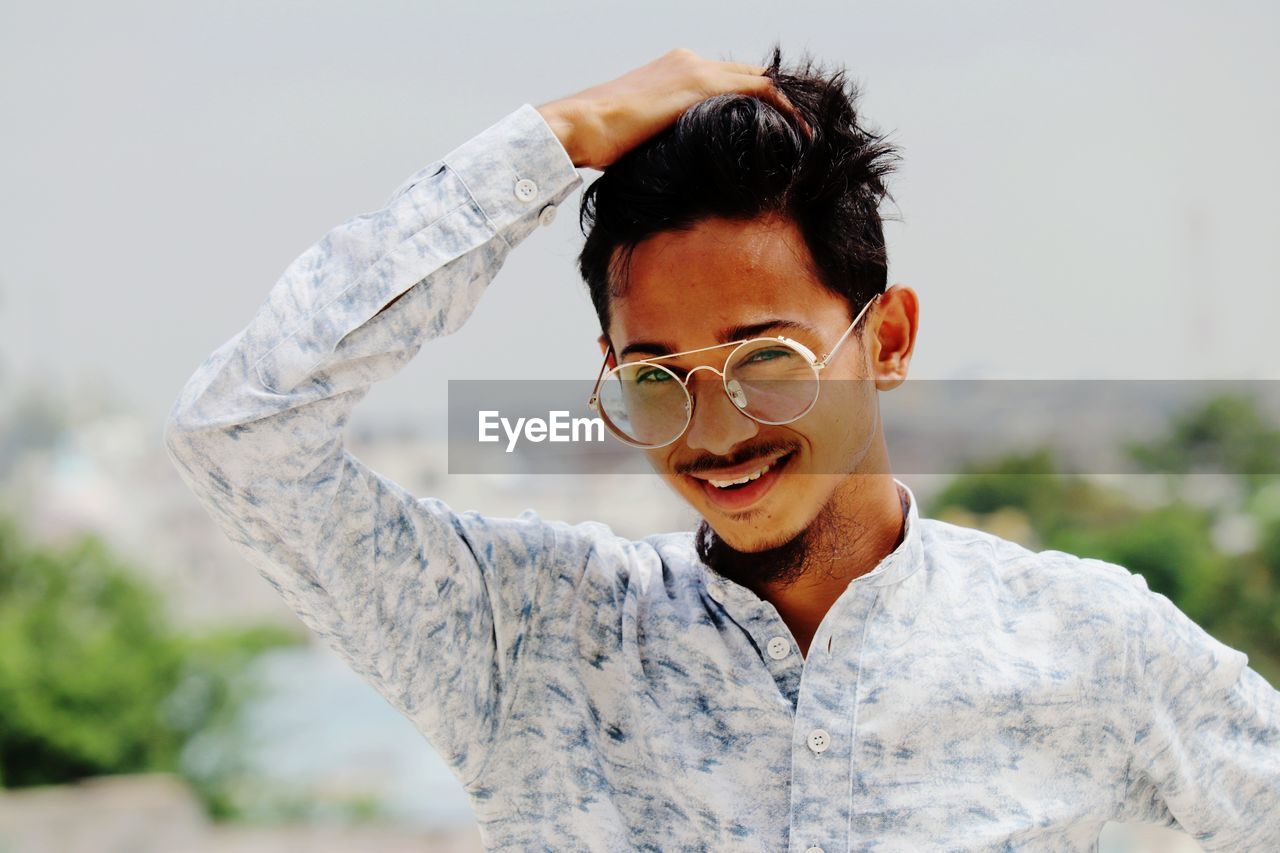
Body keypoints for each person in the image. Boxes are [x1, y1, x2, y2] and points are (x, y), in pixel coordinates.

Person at [163, 47, 1280, 850]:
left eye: (766, 362)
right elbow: (238, 431)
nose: (713, 431)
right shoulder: (531, 644)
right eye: (655, 380)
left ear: (883, 339)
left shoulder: (1087, 644)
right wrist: (546, 146)